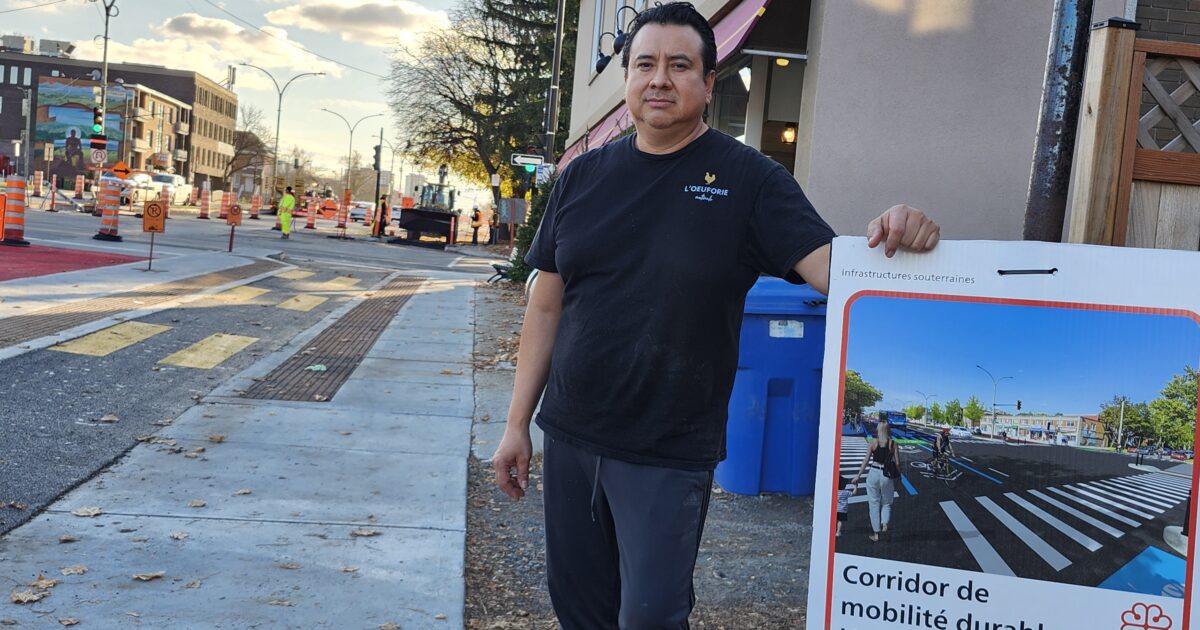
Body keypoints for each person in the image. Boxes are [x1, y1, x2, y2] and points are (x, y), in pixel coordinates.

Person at [490, 3, 940, 626]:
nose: (660, 79)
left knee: (649, 615)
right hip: (570, 433)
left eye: (680, 65)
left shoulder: (751, 182)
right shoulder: (582, 177)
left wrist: (897, 236)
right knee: (579, 609)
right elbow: (546, 303)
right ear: (627, 78)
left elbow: (838, 273)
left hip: (668, 449)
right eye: (645, 64)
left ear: (708, 81)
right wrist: (518, 424)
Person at [852, 422, 900, 542]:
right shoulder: (893, 444)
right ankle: (884, 523)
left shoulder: (873, 443)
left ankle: (876, 534)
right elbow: (897, 463)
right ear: (888, 430)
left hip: (873, 473)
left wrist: (858, 475)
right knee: (887, 502)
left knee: (873, 503)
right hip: (887, 474)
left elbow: (866, 460)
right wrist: (898, 476)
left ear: (878, 430)